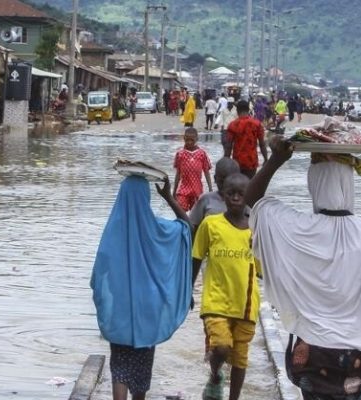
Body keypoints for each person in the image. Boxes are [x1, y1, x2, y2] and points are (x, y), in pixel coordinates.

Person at [244, 137, 361, 400]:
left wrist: (276, 159)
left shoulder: (294, 228)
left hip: (313, 357)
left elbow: (252, 199)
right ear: (349, 185)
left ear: (313, 183)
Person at [92, 175, 192, 400]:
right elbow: (187, 226)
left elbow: (100, 272)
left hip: (120, 311)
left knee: (119, 366)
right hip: (149, 309)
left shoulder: (112, 232)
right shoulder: (159, 229)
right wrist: (168, 197)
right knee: (142, 368)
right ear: (146, 198)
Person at [191, 173, 260, 400]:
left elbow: (262, 270)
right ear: (224, 195)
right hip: (216, 301)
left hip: (245, 304)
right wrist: (188, 290)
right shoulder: (211, 224)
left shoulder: (255, 231)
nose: (236, 198)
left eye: (242, 194)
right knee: (221, 347)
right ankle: (214, 373)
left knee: (240, 358)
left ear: (248, 196)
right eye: (231, 193)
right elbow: (197, 257)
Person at [188, 157, 241, 235]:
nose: (226, 186)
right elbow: (192, 227)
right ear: (215, 179)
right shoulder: (206, 200)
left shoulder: (242, 202)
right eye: (222, 181)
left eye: (230, 182)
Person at [223, 100, 267, 178]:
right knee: (250, 186)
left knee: (238, 186)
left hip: (237, 162)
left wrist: (226, 161)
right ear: (248, 110)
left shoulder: (232, 125)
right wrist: (266, 159)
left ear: (237, 111)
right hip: (252, 161)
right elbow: (262, 144)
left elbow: (228, 146)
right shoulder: (257, 124)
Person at [173, 128, 213, 211]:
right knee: (180, 211)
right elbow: (178, 174)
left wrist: (210, 189)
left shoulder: (201, 154)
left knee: (196, 215)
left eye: (192, 140)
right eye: (187, 140)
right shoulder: (180, 154)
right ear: (184, 138)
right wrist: (174, 190)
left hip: (197, 190)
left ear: (197, 139)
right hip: (183, 190)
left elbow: (206, 172)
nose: (189, 142)